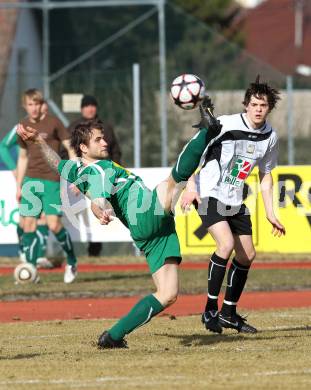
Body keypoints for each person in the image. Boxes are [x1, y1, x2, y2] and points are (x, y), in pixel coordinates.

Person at [17, 103, 221, 348]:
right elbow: (99, 191)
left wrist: (39, 143)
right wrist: (100, 205)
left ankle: (112, 336)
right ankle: (206, 133)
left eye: (104, 139)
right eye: (98, 140)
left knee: (167, 294)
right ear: (83, 147)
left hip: (150, 233)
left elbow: (58, 165)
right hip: (146, 212)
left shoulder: (77, 168)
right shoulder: (100, 169)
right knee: (173, 181)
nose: (105, 143)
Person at [181, 76, 286, 334]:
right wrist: (191, 186)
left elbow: (265, 176)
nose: (258, 109)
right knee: (225, 244)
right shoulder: (225, 124)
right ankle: (209, 309)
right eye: (254, 104)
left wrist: (271, 213)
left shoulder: (270, 137)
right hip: (208, 192)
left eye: (263, 105)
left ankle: (229, 312)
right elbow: (195, 153)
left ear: (269, 108)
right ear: (246, 105)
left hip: (234, 197)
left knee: (247, 255)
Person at [16, 89, 78, 283]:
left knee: (53, 224)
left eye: (36, 104)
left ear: (41, 104)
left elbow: (71, 149)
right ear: (25, 106)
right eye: (30, 104)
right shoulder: (23, 125)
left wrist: (76, 177)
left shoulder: (54, 122)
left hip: (52, 179)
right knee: (28, 225)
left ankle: (71, 260)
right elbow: (22, 157)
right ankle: (32, 270)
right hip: (31, 180)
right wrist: (19, 185)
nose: (33, 108)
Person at [0, 101, 53, 269]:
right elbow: (3, 147)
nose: (41, 114)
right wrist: (14, 168)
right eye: (39, 110)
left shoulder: (50, 129)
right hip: (27, 177)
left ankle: (39, 255)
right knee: (26, 217)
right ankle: (24, 252)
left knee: (44, 215)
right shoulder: (21, 127)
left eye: (45, 112)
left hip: (44, 176)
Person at [68, 95, 122, 257]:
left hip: (103, 175)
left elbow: (115, 151)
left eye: (92, 105)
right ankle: (70, 252)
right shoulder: (73, 127)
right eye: (86, 106)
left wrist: (115, 171)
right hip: (80, 177)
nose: (90, 108)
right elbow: (67, 153)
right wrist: (75, 178)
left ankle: (95, 251)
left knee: (102, 209)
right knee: (76, 216)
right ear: (81, 109)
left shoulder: (106, 128)